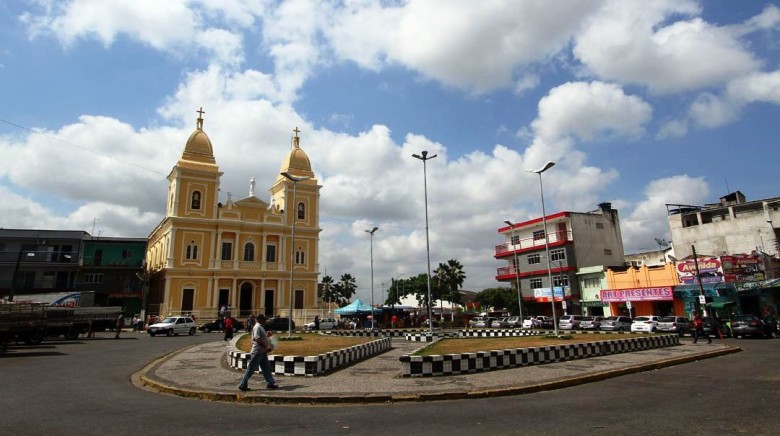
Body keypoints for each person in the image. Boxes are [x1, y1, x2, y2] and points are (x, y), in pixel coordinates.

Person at [238, 314, 278, 391]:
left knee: (267, 368)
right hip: (257, 352)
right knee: (251, 369)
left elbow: (261, 338)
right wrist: (266, 347)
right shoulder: (257, 327)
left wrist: (267, 336)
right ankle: (243, 384)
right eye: (264, 319)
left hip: (262, 352)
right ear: (259, 320)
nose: (265, 321)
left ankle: (270, 383)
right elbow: (257, 339)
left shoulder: (260, 327)